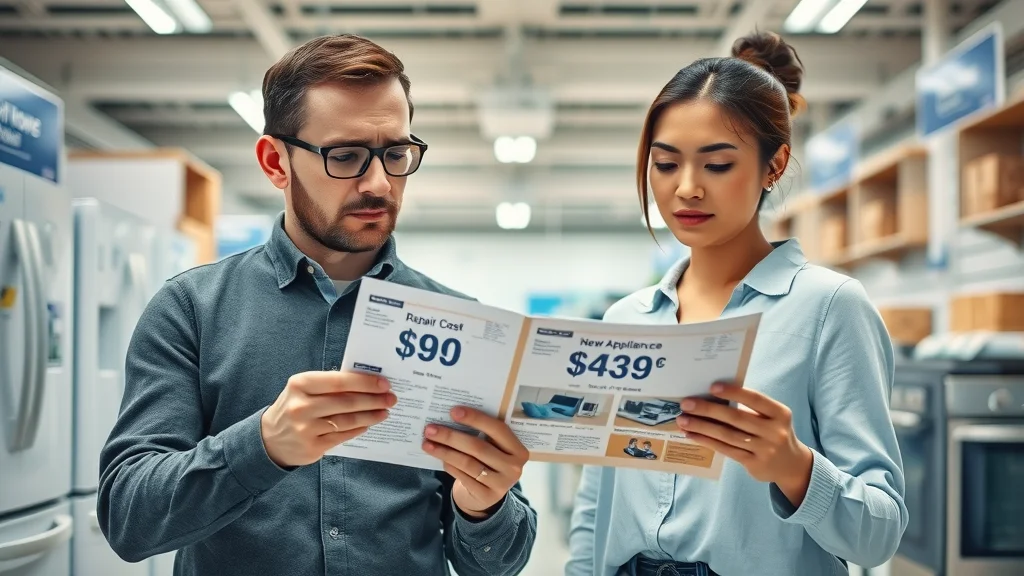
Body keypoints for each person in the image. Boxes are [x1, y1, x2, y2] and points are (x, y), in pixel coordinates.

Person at [98, 34, 537, 576]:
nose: (379, 184)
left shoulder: (459, 322)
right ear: (275, 162)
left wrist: (483, 506)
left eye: (396, 154)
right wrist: (262, 445)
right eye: (346, 156)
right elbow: (128, 519)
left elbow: (498, 564)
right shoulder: (190, 309)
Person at [566, 31, 907, 576]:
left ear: (775, 166)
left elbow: (880, 534)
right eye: (666, 164)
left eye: (718, 165)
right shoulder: (626, 319)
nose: (687, 188)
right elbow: (596, 504)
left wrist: (796, 468)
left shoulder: (829, 308)